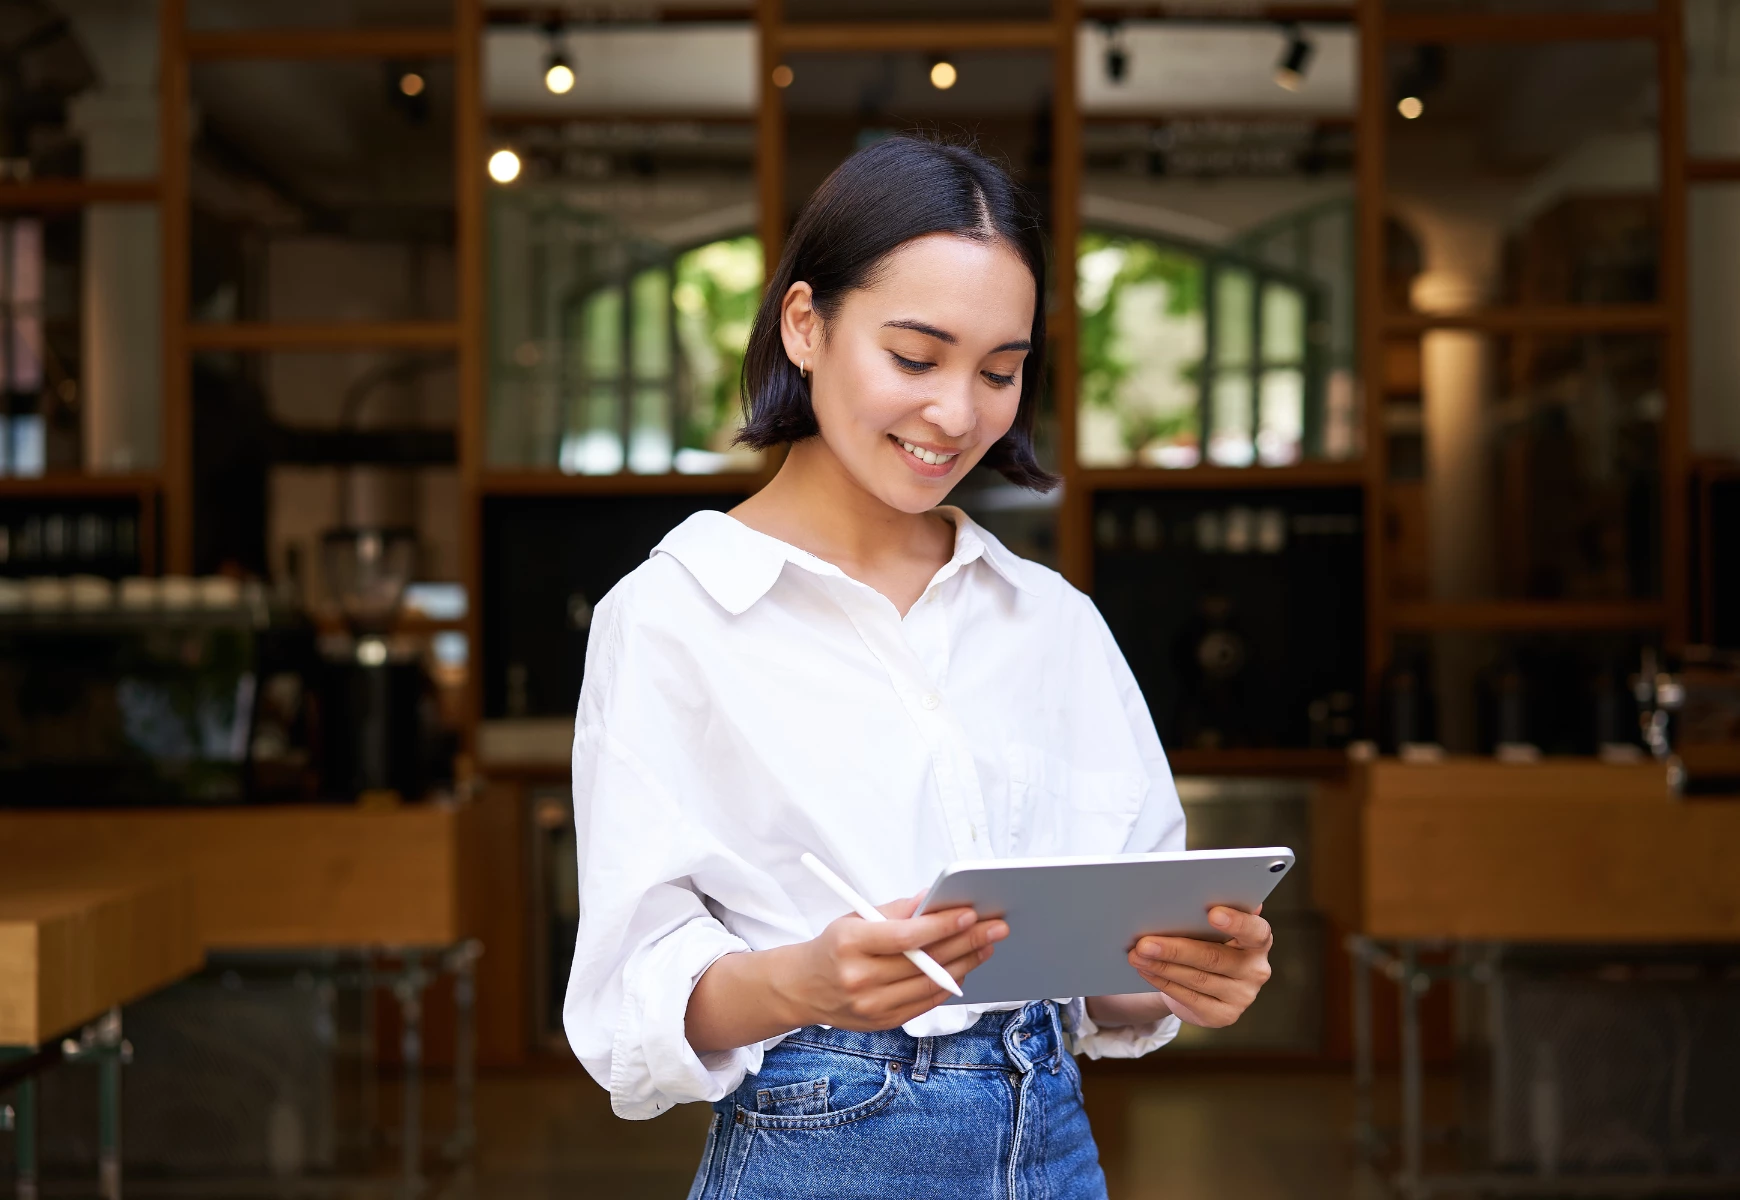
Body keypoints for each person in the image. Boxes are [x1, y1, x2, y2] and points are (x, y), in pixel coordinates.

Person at [564, 136, 1276, 1200]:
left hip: (1054, 1147)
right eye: (915, 357)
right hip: (815, 1142)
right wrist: (800, 981)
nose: (958, 414)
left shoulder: (1049, 620)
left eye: (1000, 370)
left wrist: (1182, 982)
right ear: (805, 325)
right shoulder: (672, 616)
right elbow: (632, 1004)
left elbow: (1111, 981)